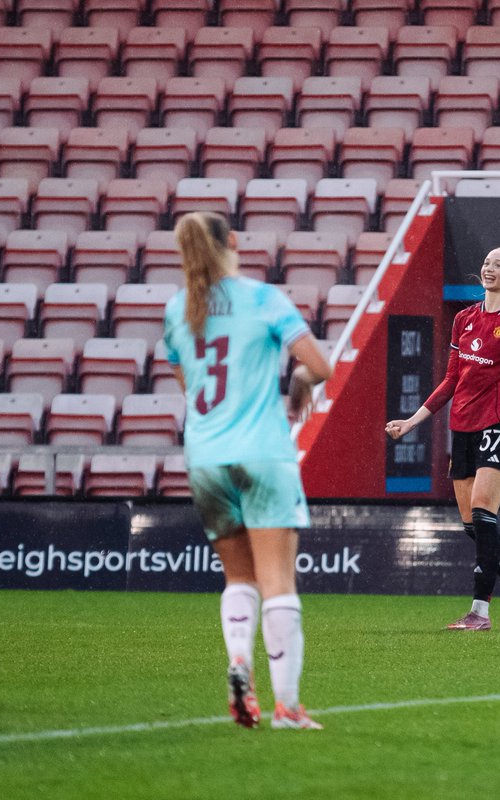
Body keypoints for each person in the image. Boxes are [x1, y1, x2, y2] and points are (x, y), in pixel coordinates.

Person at [163, 211, 333, 731]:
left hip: (205, 456)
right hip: (261, 450)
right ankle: (287, 706)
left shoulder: (177, 309)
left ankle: (240, 665)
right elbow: (320, 366)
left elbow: (187, 385)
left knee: (238, 578)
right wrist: (300, 382)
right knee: (278, 580)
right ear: (232, 241)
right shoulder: (262, 299)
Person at [385, 246, 500, 631]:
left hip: (499, 425)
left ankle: (479, 612)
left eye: (498, 264)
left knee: (482, 512)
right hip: (462, 426)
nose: (489, 268)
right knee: (473, 526)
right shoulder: (464, 318)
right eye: (487, 263)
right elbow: (450, 381)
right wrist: (412, 422)